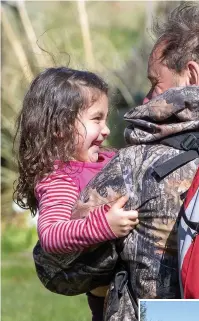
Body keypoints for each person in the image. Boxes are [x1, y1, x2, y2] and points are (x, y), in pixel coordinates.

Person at [32, 3, 199, 320]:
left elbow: (57, 269)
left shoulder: (135, 164)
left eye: (155, 82)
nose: (147, 99)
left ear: (191, 74)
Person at [14, 67, 139, 321]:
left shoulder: (107, 158)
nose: (106, 130)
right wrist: (104, 225)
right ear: (60, 127)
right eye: (96, 119)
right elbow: (51, 234)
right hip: (109, 298)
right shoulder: (60, 178)